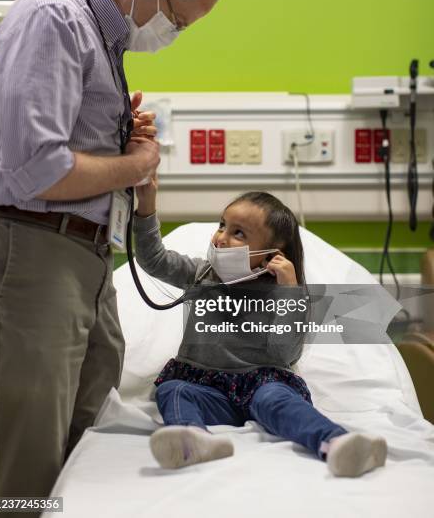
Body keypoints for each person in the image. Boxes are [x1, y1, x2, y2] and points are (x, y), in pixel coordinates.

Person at [0, 0, 222, 506]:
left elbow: (68, 152)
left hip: (87, 257)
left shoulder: (102, 40)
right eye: (180, 21)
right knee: (27, 457)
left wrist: (118, 144)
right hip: (36, 253)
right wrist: (136, 165)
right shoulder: (53, 18)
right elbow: (36, 168)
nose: (173, 35)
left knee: (84, 444)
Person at [134, 185, 387, 477]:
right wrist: (147, 205)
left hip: (260, 386)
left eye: (238, 233)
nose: (222, 238)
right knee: (173, 389)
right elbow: (152, 259)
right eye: (222, 226)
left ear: (271, 255)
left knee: (276, 400)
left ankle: (337, 443)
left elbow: (285, 353)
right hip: (207, 389)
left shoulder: (283, 295)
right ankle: (192, 442)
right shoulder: (200, 275)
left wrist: (289, 292)